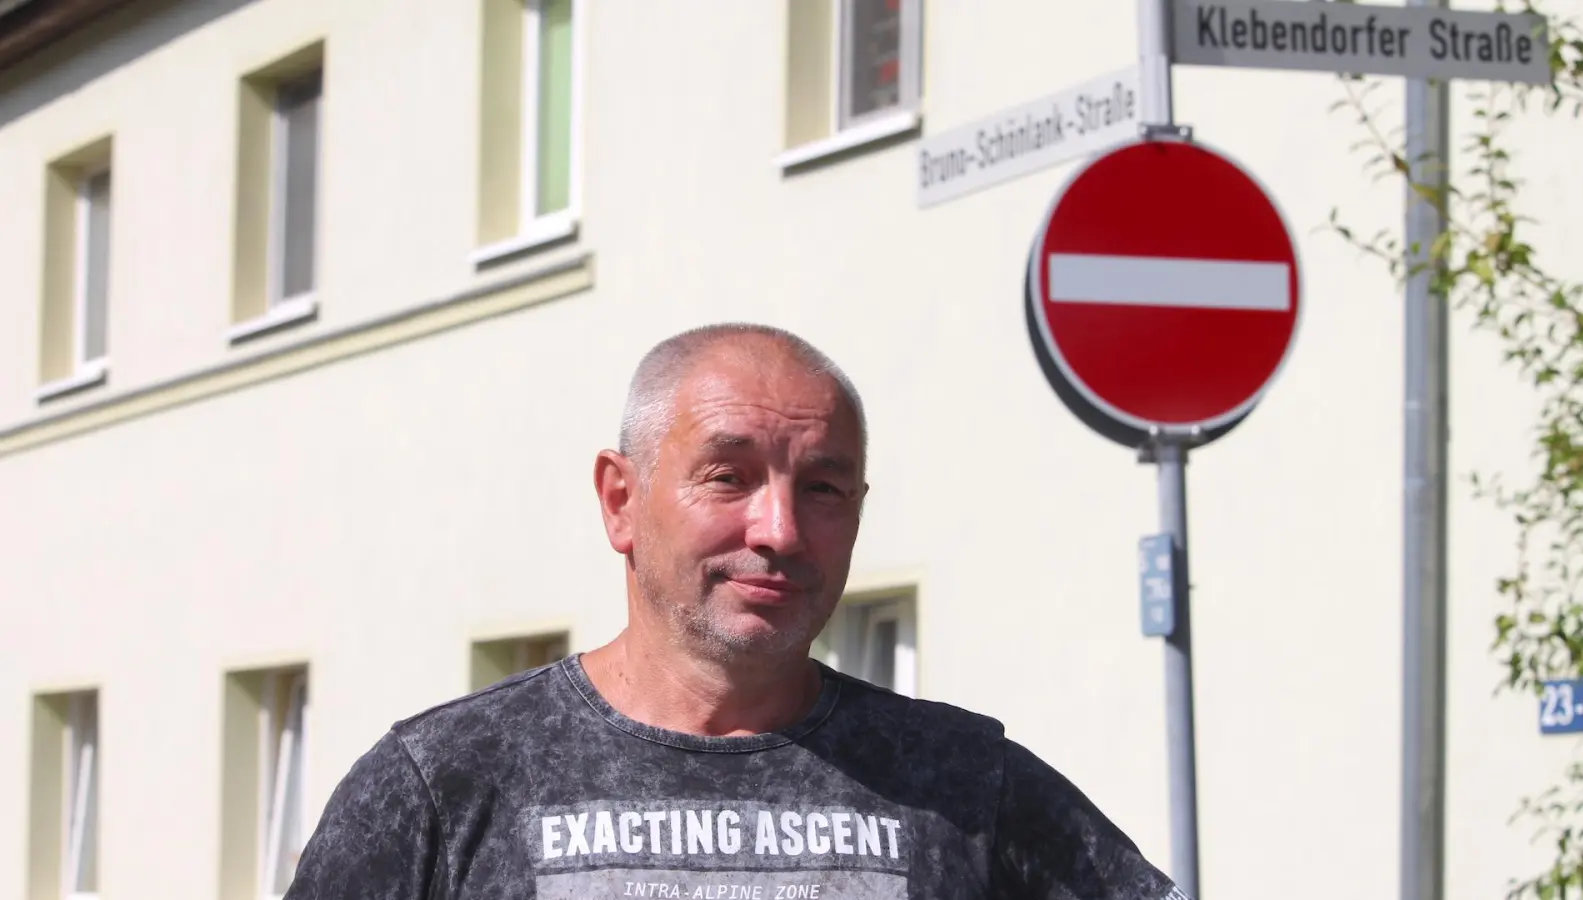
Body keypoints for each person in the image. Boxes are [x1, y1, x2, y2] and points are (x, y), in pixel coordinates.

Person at [283, 323, 1188, 900]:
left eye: (824, 486)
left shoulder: (963, 783)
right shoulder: (443, 786)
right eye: (728, 476)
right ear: (620, 500)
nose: (782, 528)